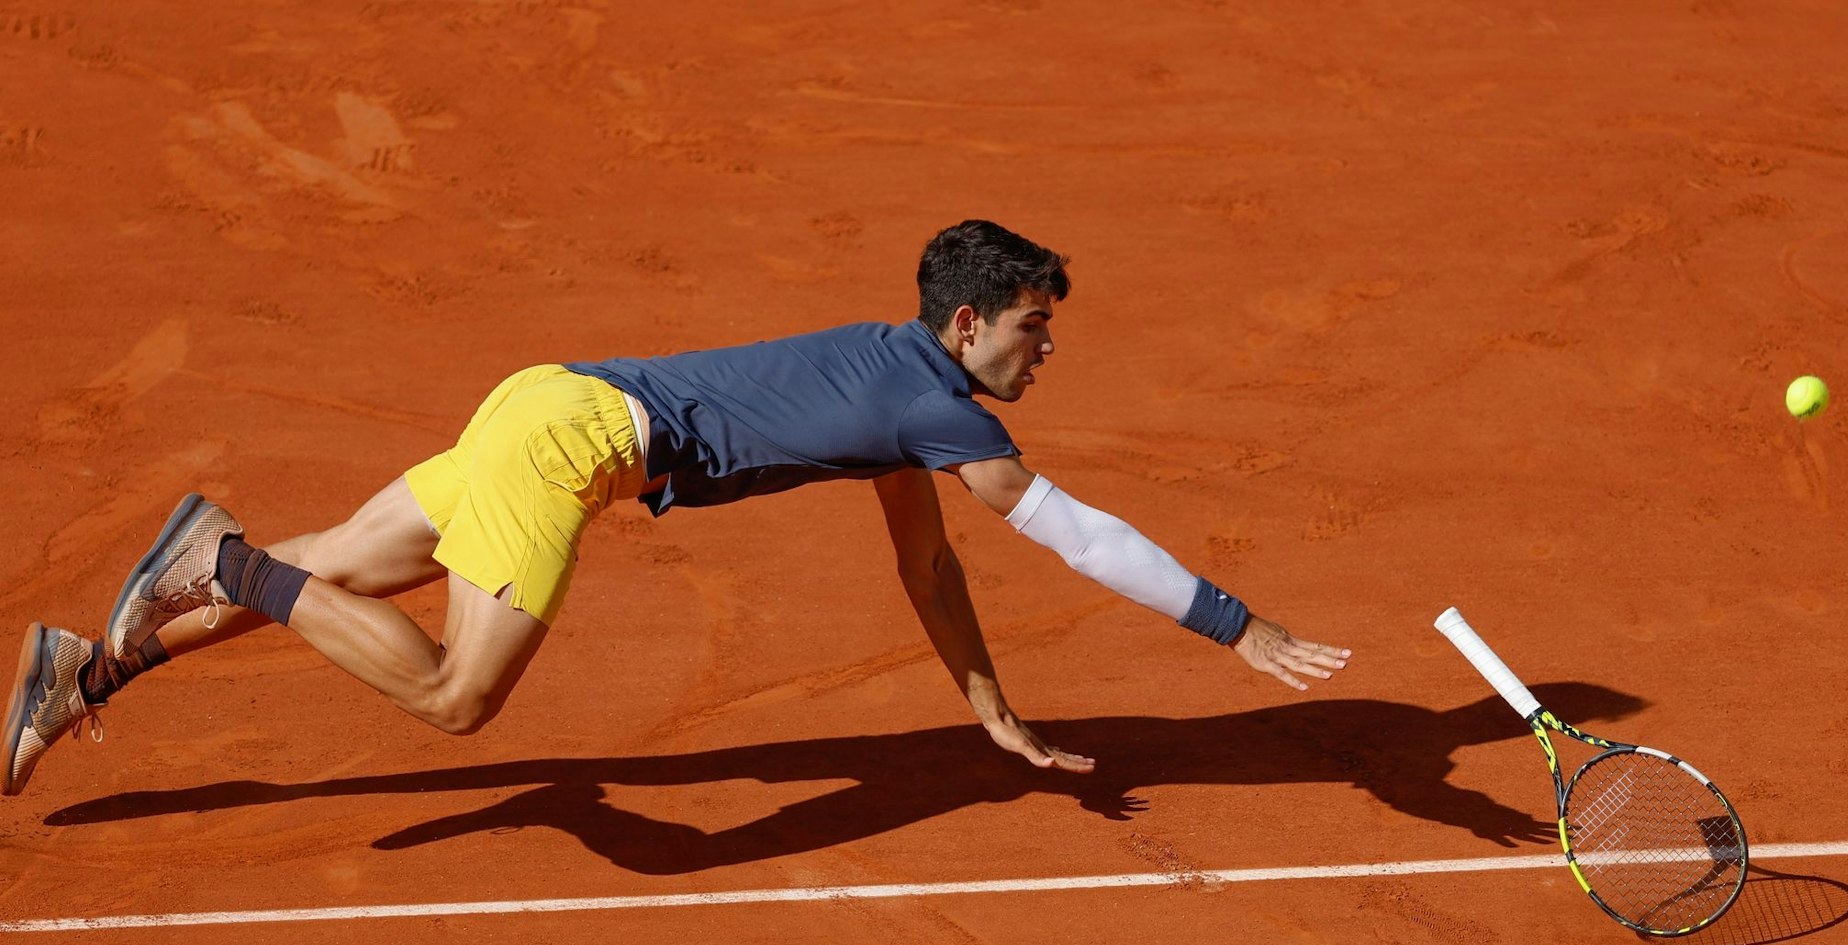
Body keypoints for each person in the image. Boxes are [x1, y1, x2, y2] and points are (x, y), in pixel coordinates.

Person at [3, 220, 1349, 798]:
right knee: (455, 693)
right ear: (969, 323)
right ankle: (224, 553)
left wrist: (989, 704)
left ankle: (83, 667)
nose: (1043, 354)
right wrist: (1234, 626)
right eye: (1033, 331)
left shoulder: (896, 384)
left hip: (547, 397)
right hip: (575, 448)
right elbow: (1073, 530)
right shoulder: (949, 412)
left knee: (346, 576)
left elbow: (928, 568)